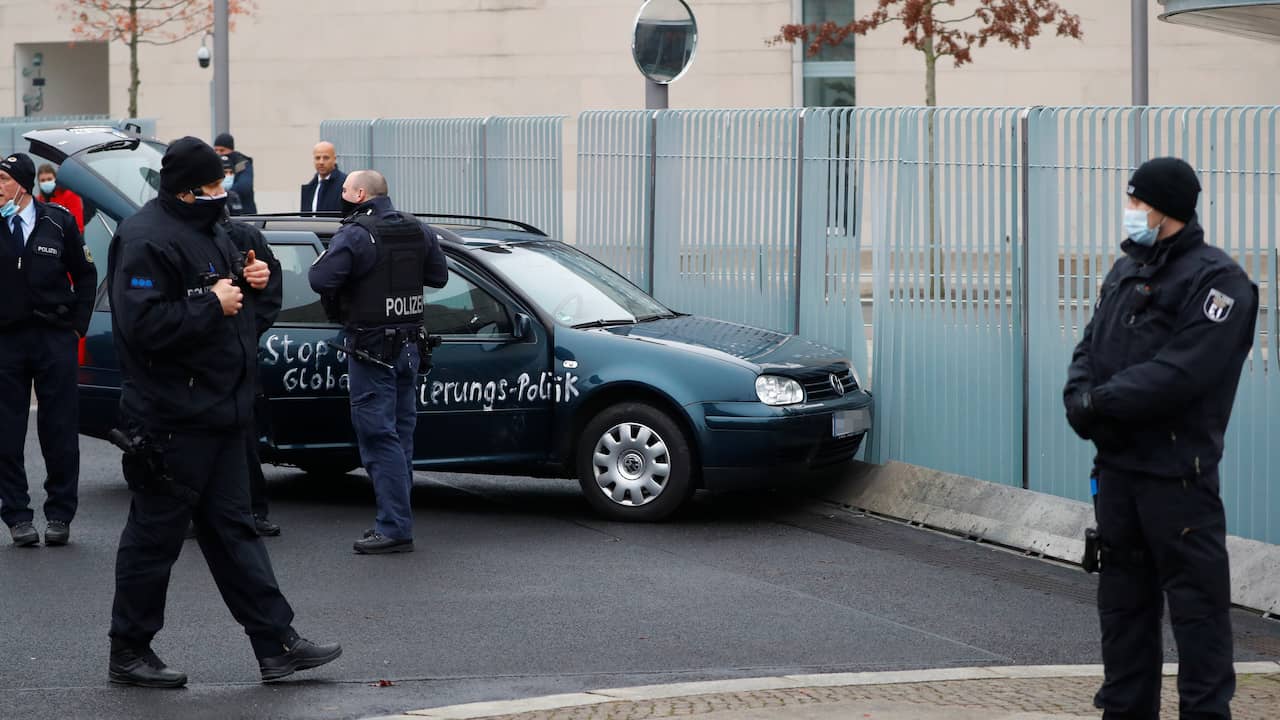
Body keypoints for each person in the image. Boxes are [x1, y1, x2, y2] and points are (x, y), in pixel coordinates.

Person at [106, 136, 338, 687]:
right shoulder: (144, 239)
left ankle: (276, 644)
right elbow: (142, 328)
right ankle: (129, 652)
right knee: (154, 539)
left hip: (222, 412)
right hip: (170, 420)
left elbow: (239, 297)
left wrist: (253, 283)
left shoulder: (210, 229)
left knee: (235, 531)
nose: (223, 192)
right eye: (212, 186)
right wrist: (212, 302)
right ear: (186, 192)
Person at [1063, 157, 1257, 720]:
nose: (1129, 212)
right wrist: (1079, 395)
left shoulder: (1217, 281)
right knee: (1123, 611)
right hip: (1120, 475)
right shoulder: (1125, 271)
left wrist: (1100, 402)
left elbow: (1182, 373)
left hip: (1178, 480)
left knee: (1198, 616)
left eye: (1135, 202)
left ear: (1163, 209)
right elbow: (1090, 346)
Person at [308, 170, 447, 554]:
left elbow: (319, 278)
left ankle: (394, 527)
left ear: (362, 194)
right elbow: (439, 276)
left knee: (377, 437)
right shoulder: (417, 228)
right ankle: (398, 521)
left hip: (372, 350)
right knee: (400, 436)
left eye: (346, 190)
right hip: (408, 349)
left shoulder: (356, 233)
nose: (342, 195)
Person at [0, 152, 97, 548]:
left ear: (22, 184)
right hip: (6, 341)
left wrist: (77, 326)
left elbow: (87, 274)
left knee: (58, 428)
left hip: (54, 337)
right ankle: (18, 516)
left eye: (3, 179)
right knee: (6, 431)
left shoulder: (58, 221)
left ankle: (59, 513)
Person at [221, 210, 283, 536]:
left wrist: (247, 333)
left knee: (244, 438)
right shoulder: (177, 238)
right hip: (193, 358)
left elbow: (271, 288)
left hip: (239, 358)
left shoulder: (245, 237)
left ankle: (254, 511)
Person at [213, 132, 257, 214]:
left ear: (231, 150)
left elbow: (244, 186)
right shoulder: (214, 163)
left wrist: (223, 194)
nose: (218, 153)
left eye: (222, 150)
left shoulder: (241, 164)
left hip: (244, 213)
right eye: (215, 150)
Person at [35, 163, 85, 231]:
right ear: (39, 182)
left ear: (55, 179)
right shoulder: (37, 201)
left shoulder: (70, 196)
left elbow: (78, 227)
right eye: (43, 180)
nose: (46, 182)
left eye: (49, 179)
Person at [301, 141, 347, 213]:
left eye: (326, 158)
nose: (321, 162)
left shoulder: (345, 185)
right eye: (317, 158)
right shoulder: (310, 187)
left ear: (334, 159)